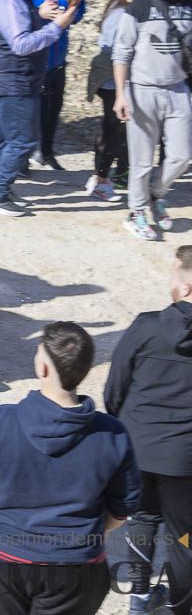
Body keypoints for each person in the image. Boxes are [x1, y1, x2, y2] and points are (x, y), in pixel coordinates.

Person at [0, 322, 140, 615]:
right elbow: (122, 509)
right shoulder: (113, 433)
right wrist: (92, 533)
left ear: (42, 368)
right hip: (76, 565)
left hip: (7, 556)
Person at [105, 245, 192, 615]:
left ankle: (139, 599)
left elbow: (114, 389)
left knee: (141, 520)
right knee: (184, 537)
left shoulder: (145, 325)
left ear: (185, 287)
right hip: (186, 459)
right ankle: (179, 605)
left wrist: (128, 428)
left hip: (139, 447)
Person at [0, 0, 77, 217]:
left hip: (6, 80)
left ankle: (0, 188)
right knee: (23, 140)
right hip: (13, 82)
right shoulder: (9, 2)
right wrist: (56, 26)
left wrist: (39, 14)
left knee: (0, 138)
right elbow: (21, 44)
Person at [113, 0, 192, 240]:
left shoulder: (188, 4)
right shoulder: (139, 7)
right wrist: (121, 95)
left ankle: (157, 194)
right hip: (142, 90)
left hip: (178, 90)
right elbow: (121, 52)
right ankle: (136, 212)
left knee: (182, 156)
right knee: (142, 160)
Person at [85, 0, 146, 202]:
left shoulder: (140, 11)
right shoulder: (120, 14)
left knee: (118, 131)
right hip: (112, 80)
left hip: (129, 79)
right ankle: (100, 180)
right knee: (113, 130)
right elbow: (110, 49)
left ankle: (102, 178)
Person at [29, 0, 87, 171]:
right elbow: (23, 17)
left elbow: (81, 10)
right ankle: (28, 151)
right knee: (34, 108)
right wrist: (40, 13)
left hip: (58, 59)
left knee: (54, 107)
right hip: (36, 59)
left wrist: (70, 15)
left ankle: (47, 152)